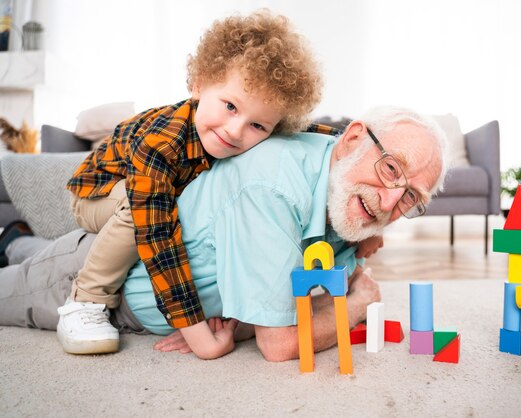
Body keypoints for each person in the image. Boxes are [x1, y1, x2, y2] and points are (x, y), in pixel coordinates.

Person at [0, 106, 448, 361]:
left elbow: (314, 285)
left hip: (142, 273)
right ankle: (17, 244)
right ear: (353, 139)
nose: (389, 203)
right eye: (391, 169)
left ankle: (13, 238)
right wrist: (357, 303)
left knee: (23, 249)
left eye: (410, 198)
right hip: (103, 284)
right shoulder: (273, 183)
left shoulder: (348, 188)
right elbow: (281, 342)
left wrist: (358, 249)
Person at [57, 10, 324, 357]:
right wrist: (203, 340)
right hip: (100, 193)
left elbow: (307, 136)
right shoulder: (160, 144)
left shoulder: (252, 135)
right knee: (137, 207)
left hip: (161, 190)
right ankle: (86, 301)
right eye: (230, 106)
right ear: (199, 84)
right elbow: (157, 235)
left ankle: (17, 244)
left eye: (258, 125)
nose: (235, 130)